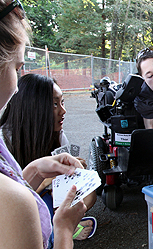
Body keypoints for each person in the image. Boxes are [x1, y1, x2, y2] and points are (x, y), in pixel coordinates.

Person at [0, 1, 86, 248]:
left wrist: (34, 171)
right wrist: (64, 230)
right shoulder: (13, 203)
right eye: (17, 68)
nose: (17, 86)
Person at [0, 73, 97, 241]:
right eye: (54, 104)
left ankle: (61, 224)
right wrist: (44, 183)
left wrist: (76, 176)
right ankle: (60, 230)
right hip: (19, 208)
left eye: (62, 102)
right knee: (43, 202)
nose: (63, 110)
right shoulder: (5, 143)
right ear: (32, 107)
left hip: (45, 196)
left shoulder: (58, 136)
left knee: (89, 193)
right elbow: (10, 201)